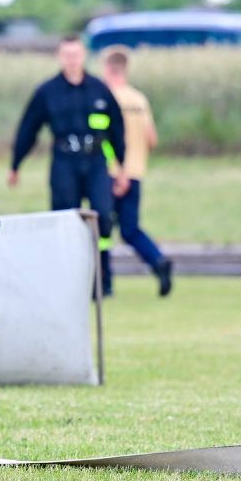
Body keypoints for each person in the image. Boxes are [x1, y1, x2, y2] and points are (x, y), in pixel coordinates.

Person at [10, 35, 127, 296]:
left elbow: (117, 129)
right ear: (60, 57)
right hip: (65, 162)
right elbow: (28, 129)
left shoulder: (99, 89)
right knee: (65, 221)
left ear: (84, 56)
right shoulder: (47, 91)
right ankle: (68, 282)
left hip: (96, 161)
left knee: (103, 217)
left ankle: (103, 280)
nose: (72, 60)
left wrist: (122, 166)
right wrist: (15, 165)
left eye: (76, 55)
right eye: (67, 55)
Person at [101, 46, 173, 296]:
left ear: (107, 68)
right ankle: (157, 260)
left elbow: (104, 139)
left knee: (104, 230)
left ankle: (105, 284)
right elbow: (152, 138)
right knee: (131, 229)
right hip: (136, 172)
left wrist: (117, 170)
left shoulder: (105, 98)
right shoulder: (139, 99)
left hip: (112, 173)